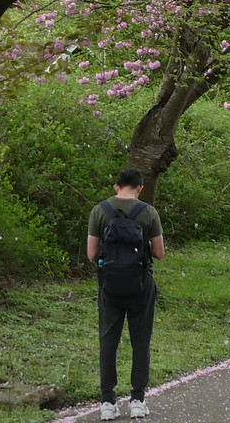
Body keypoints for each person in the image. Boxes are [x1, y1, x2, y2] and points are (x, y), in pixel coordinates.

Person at [89, 168, 165, 420]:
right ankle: (137, 400)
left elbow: (91, 254)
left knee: (108, 341)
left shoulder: (100, 211)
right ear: (140, 188)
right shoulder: (149, 212)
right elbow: (159, 253)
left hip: (109, 287)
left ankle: (108, 403)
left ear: (116, 186)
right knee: (140, 342)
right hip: (140, 287)